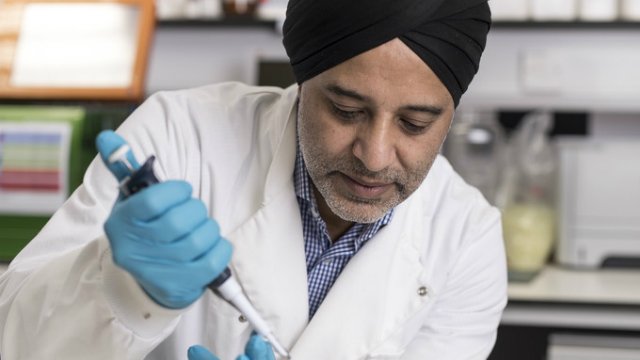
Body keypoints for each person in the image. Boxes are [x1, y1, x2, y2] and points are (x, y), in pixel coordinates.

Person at [0, 0, 507, 359]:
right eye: (346, 110)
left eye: (415, 124)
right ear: (301, 80)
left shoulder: (465, 239)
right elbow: (14, 339)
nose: (374, 157)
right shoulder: (180, 137)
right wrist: (123, 290)